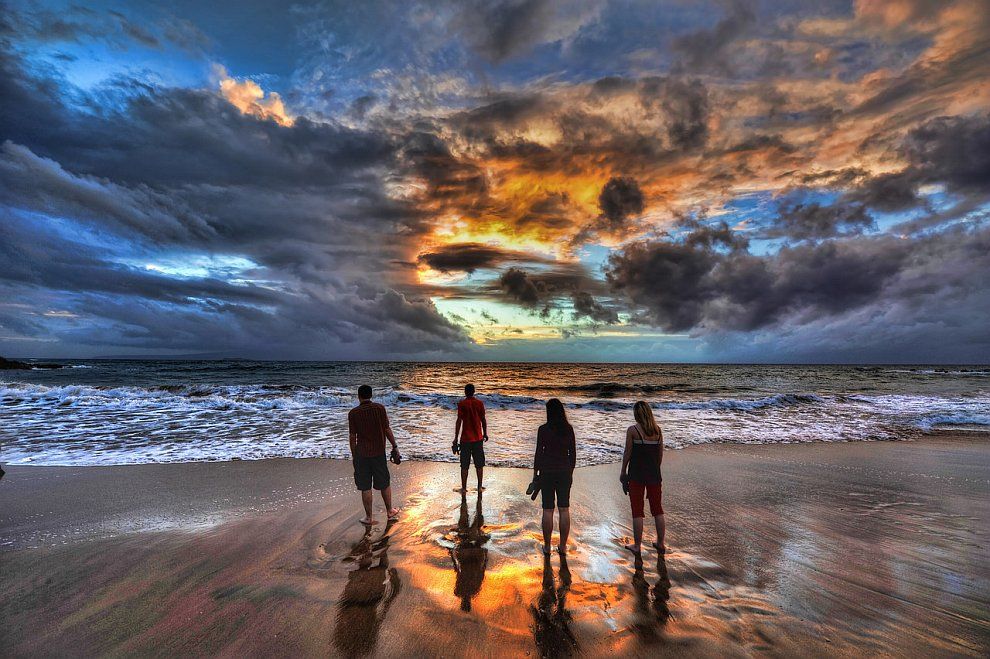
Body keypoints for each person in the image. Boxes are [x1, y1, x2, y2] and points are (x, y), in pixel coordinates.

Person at [348, 385, 400, 525]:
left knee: (365, 487)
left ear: (359, 396)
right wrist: (395, 446)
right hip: (378, 452)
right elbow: (386, 429)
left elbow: (353, 437)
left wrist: (354, 456)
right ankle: (390, 511)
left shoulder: (353, 413)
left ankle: (369, 517)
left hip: (362, 454)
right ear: (371, 395)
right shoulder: (379, 409)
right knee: (384, 482)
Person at [620, 401, 665, 555]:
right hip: (654, 474)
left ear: (636, 414)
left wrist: (623, 472)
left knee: (637, 511)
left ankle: (637, 545)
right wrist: (654, 470)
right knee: (657, 509)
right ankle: (660, 543)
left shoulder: (633, 430)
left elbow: (628, 453)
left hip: (637, 474)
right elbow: (660, 456)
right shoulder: (657, 431)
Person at [533, 398, 576, 556]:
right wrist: (570, 472)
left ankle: (547, 546)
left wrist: (535, 474)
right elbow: (573, 454)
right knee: (564, 509)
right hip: (564, 472)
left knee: (548, 509)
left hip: (547, 472)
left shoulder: (543, 429)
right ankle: (563, 547)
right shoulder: (568, 429)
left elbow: (538, 454)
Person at [454, 383, 488, 492]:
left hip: (465, 439)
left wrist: (455, 438)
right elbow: (483, 420)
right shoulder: (479, 403)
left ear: (465, 392)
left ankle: (464, 488)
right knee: (479, 464)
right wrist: (485, 433)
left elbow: (459, 421)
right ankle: (479, 487)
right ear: (474, 392)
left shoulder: (462, 404)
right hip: (478, 438)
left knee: (464, 465)